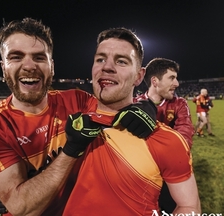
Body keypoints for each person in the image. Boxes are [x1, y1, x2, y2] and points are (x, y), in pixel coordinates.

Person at [0, 18, 156, 216]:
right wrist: (72, 150)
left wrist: (144, 106)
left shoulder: (77, 100)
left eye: (39, 57)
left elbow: (115, 106)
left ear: (51, 66)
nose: (29, 66)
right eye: (16, 57)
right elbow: (22, 206)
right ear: (4, 68)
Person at [63, 28, 201, 215]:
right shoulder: (68, 113)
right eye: (100, 59)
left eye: (121, 61)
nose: (107, 67)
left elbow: (188, 206)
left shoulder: (166, 140)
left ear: (139, 76)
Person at [134, 57, 195, 213]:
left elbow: (185, 134)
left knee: (175, 206)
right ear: (155, 81)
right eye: (172, 78)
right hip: (142, 172)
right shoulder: (134, 105)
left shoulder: (179, 104)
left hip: (170, 170)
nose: (177, 83)